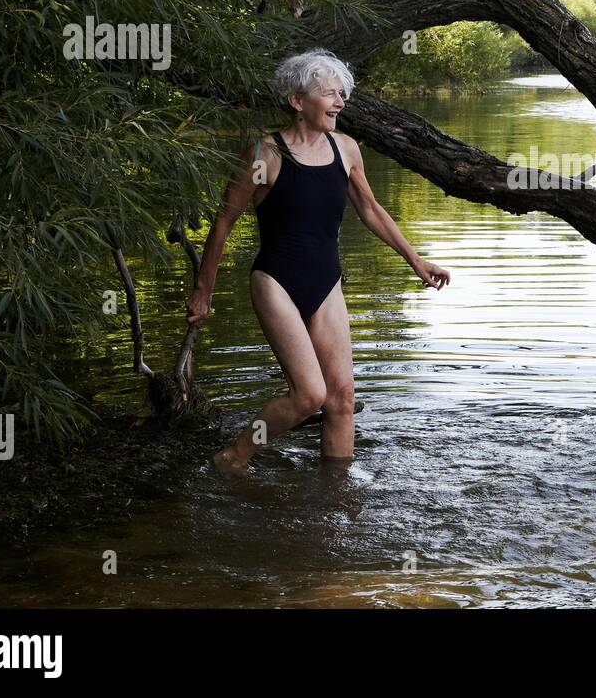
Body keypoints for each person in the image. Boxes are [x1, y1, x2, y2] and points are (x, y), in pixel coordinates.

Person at [186, 48, 450, 475]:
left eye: (341, 93)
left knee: (341, 398)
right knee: (309, 394)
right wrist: (203, 290)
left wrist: (416, 261)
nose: (340, 102)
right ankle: (233, 457)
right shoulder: (264, 155)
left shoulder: (345, 149)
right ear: (297, 101)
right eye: (329, 94)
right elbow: (224, 221)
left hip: (326, 282)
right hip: (277, 280)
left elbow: (370, 209)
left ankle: (335, 495)